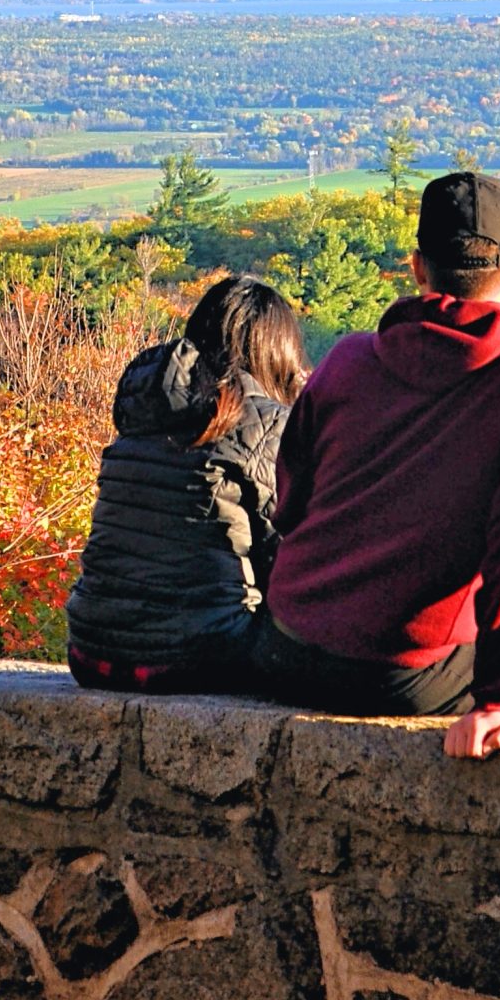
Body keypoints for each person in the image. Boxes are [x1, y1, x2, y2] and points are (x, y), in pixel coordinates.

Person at [253, 171, 500, 757]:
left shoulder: (346, 359)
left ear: (418, 268)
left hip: (282, 646)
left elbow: (289, 502)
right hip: (401, 668)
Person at [65, 274, 307, 695]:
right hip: (202, 657)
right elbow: (290, 564)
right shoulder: (268, 425)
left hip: (91, 652)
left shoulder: (143, 412)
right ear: (278, 353)